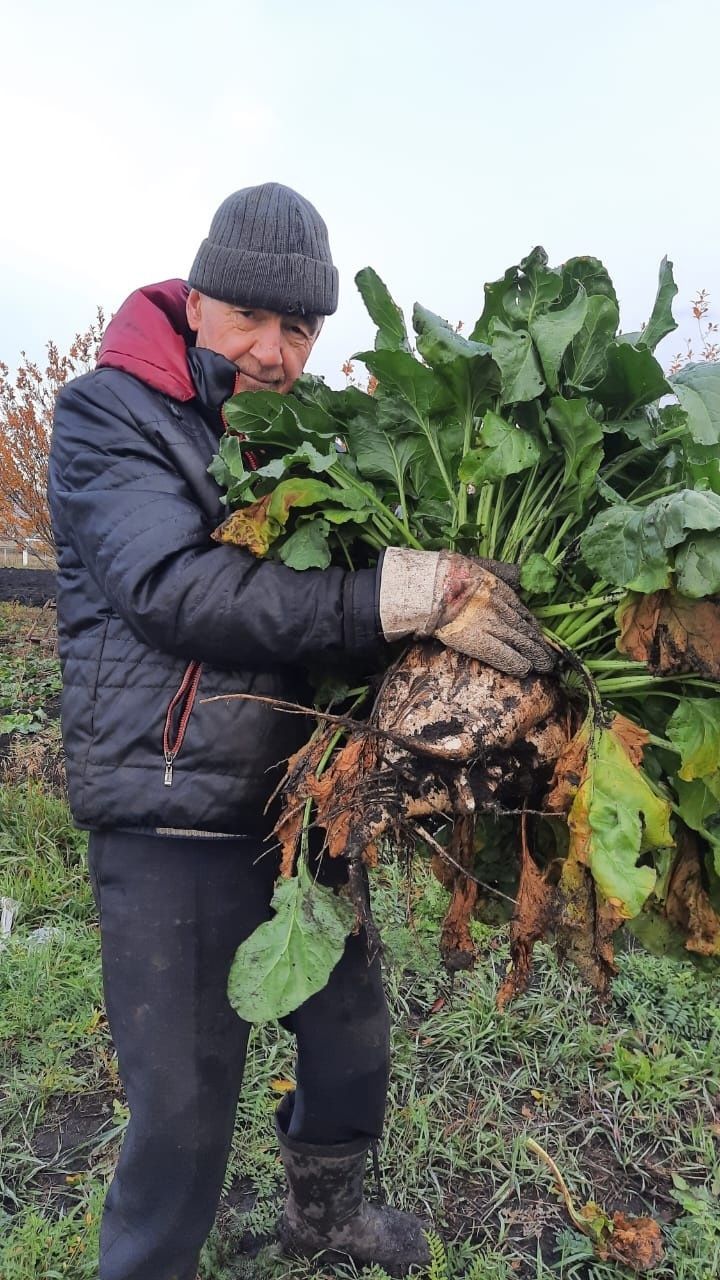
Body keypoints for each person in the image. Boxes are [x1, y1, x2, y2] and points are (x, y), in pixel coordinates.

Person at [48, 182, 554, 1280]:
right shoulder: (107, 414)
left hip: (302, 807)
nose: (276, 351)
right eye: (251, 319)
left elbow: (345, 612)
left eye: (301, 327)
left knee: (349, 1040)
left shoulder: (297, 438)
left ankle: (323, 1214)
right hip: (168, 807)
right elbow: (179, 590)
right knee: (181, 1110)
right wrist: (392, 596)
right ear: (194, 302)